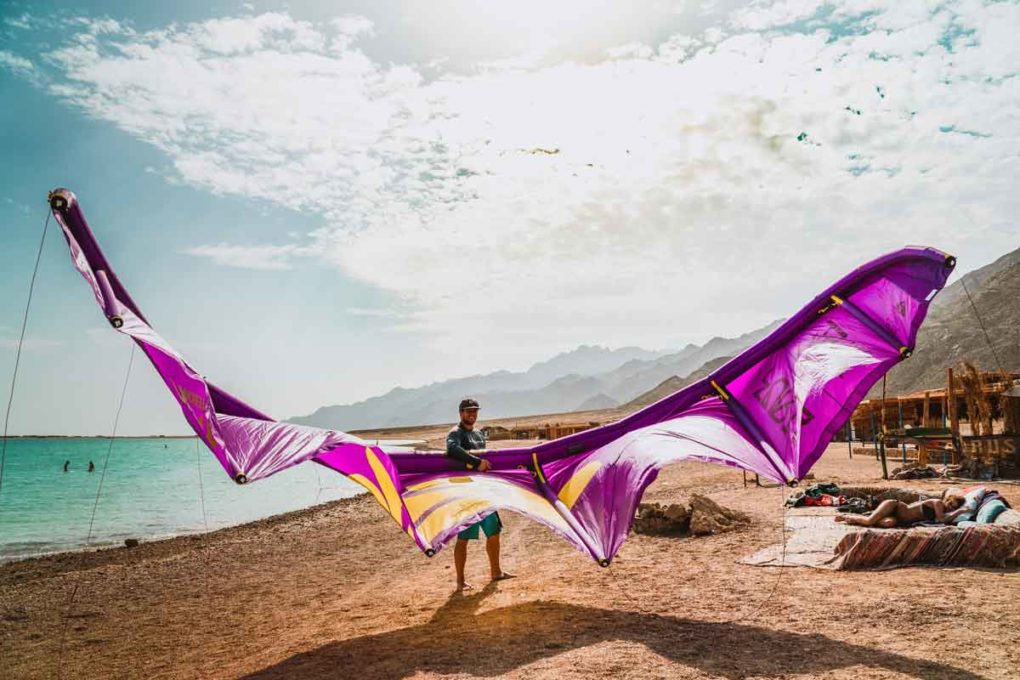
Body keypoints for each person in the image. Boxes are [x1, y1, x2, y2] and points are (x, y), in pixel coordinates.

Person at [446, 398, 514, 591]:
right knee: (464, 537)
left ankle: (496, 572)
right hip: (465, 494)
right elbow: (452, 450)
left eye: (475, 411)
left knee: (494, 532)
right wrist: (476, 463)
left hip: (483, 491)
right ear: (460, 413)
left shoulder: (478, 434)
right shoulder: (455, 433)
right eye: (468, 411)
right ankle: (460, 581)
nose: (472, 414)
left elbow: (487, 459)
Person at [835, 491, 967, 528]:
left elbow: (944, 519)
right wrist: (960, 512)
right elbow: (941, 519)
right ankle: (847, 517)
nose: (950, 506)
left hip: (899, 519)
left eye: (953, 507)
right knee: (869, 521)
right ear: (947, 499)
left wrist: (956, 512)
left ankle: (860, 520)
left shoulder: (945, 512)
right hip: (896, 506)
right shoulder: (938, 503)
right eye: (950, 503)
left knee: (888, 523)